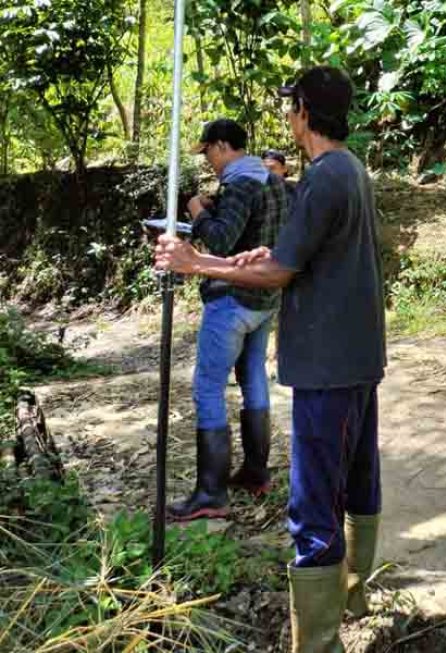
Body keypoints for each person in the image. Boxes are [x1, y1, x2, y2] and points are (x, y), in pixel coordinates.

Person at [155, 66, 385, 653]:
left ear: (305, 110)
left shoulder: (323, 177)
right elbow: (295, 254)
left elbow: (282, 271)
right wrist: (260, 255)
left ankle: (319, 642)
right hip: (356, 355)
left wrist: (196, 263)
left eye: (290, 106)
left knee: (314, 502)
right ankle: (353, 594)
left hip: (327, 363)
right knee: (358, 480)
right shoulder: (348, 170)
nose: (286, 116)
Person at [169, 118, 288, 521]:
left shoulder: (240, 182)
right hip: (265, 297)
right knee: (253, 376)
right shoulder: (270, 178)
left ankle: (211, 492)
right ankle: (256, 472)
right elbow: (255, 230)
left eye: (209, 153)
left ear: (222, 146)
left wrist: (199, 211)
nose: (210, 162)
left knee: (207, 388)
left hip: (233, 298)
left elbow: (220, 239)